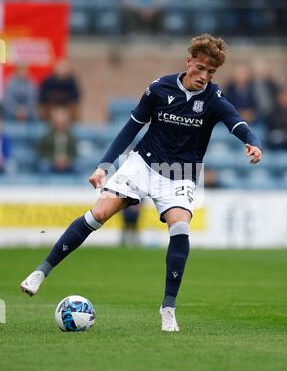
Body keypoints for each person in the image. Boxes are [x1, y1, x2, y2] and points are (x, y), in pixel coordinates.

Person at [20, 34, 262, 332]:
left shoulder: (213, 98)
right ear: (188, 62)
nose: (204, 76)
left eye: (211, 72)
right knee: (98, 214)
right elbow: (131, 127)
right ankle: (41, 272)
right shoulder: (159, 89)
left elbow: (236, 122)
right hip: (143, 162)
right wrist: (103, 166)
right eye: (200, 68)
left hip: (180, 172)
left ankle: (168, 308)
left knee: (180, 225)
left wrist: (252, 142)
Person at [37, 106, 78, 173]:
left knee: (77, 167)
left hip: (67, 163)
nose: (60, 124)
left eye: (62, 122)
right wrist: (54, 159)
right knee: (44, 166)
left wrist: (67, 159)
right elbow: (41, 152)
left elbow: (74, 153)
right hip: (51, 162)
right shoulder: (46, 137)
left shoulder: (72, 137)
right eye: (58, 121)